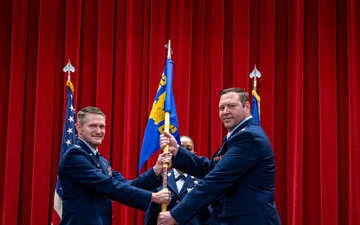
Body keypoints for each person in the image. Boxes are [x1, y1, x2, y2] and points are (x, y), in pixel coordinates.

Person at [157, 87, 281, 225]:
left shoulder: (249, 137)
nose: (225, 112)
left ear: (247, 107)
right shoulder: (237, 135)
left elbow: (215, 180)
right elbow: (212, 169)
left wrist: (176, 214)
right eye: (221, 108)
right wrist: (177, 151)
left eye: (231, 106)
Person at [58, 106, 171, 225]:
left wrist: (156, 170)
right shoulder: (75, 156)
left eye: (102, 126)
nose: (98, 131)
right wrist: (153, 197)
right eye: (92, 126)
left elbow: (129, 185)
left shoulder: (102, 161)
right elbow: (109, 186)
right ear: (79, 128)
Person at [144, 135, 211, 225]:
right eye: (181, 147)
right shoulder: (161, 180)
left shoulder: (201, 182)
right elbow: (150, 216)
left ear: (194, 153)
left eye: (189, 148)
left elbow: (207, 216)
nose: (184, 151)